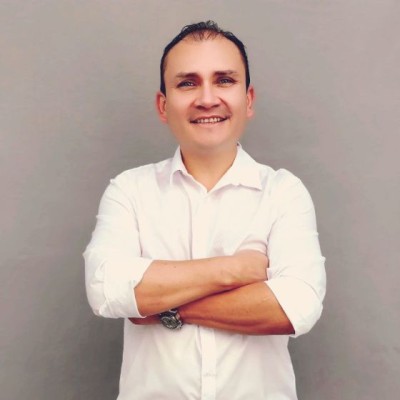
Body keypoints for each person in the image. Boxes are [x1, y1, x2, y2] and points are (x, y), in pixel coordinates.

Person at [84, 21, 326, 400]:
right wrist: (235, 270)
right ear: (163, 105)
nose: (207, 98)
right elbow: (106, 289)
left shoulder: (283, 192)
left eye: (224, 80)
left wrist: (163, 307)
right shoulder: (128, 190)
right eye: (187, 83)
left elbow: (297, 306)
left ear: (248, 100)